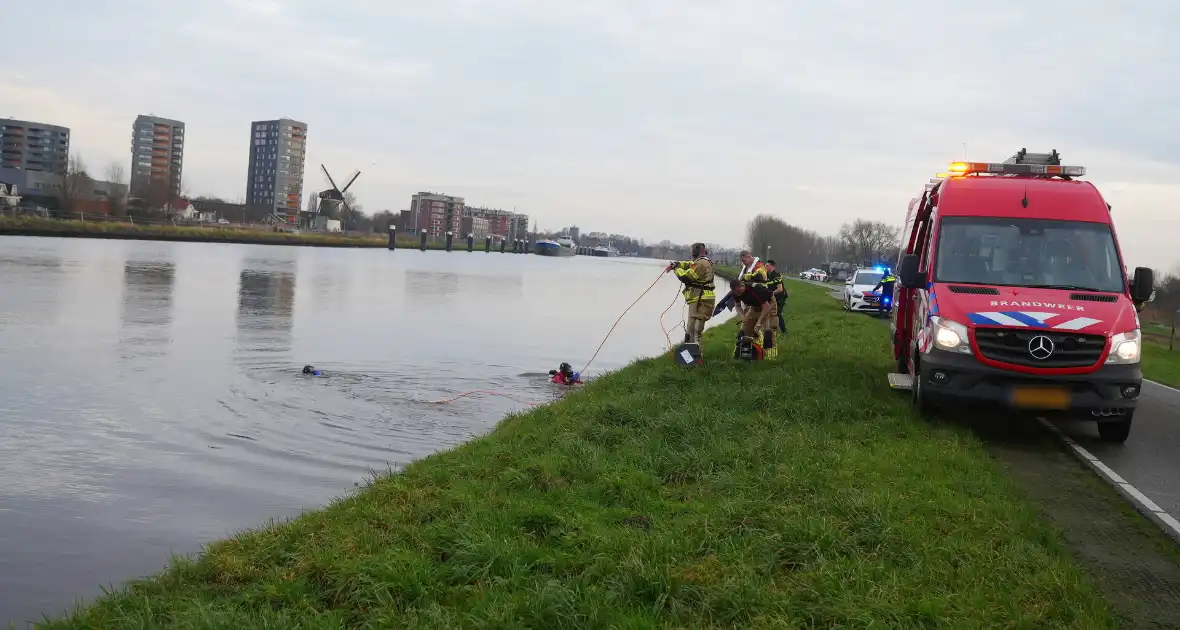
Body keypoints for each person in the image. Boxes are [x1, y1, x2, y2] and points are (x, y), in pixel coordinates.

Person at [666, 242, 715, 345]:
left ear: (696, 252)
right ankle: (689, 355)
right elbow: (690, 264)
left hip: (702, 300)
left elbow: (686, 276)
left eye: (691, 252)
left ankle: (696, 356)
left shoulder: (702, 263)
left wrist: (676, 269)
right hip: (697, 299)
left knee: (695, 329)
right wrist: (678, 264)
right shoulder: (700, 262)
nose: (691, 255)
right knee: (690, 328)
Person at [729, 278, 778, 359]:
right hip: (754, 306)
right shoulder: (735, 293)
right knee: (744, 329)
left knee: (768, 329)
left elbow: (766, 307)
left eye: (739, 291)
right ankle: (745, 353)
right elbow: (738, 306)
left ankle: (771, 355)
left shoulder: (756, 289)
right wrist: (743, 318)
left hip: (769, 304)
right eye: (736, 292)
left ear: (742, 285)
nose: (738, 294)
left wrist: (759, 322)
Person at [765, 259, 787, 334]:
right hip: (772, 298)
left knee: (777, 313)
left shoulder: (777, 275)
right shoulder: (767, 275)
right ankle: (772, 329)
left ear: (772, 266)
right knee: (770, 313)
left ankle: (784, 331)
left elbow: (780, 289)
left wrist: (770, 293)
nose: (765, 267)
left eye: (767, 265)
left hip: (780, 298)